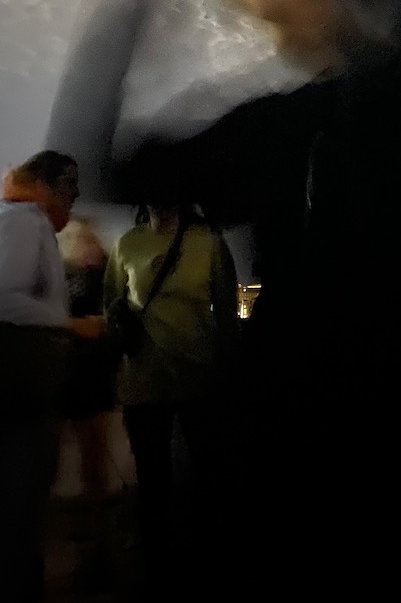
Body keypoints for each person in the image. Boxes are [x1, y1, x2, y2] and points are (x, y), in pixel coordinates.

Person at [46, 0, 401, 594]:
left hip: (366, 404)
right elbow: (95, 167)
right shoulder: (273, 127)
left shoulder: (387, 94)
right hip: (309, 408)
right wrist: (128, 14)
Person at [103, 201, 241, 595]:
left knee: (204, 474)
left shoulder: (208, 243)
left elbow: (226, 311)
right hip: (145, 380)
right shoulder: (127, 244)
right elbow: (112, 304)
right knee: (153, 479)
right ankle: (159, 566)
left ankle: (198, 559)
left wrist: (227, 370)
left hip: (198, 377)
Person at [0, 150, 101, 602]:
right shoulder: (26, 221)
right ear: (47, 186)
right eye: (69, 190)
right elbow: (4, 299)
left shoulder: (23, 221)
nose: (73, 202)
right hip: (21, 396)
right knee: (20, 511)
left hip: (27, 394)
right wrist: (70, 324)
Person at [55, 216, 119, 592]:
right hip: (82, 378)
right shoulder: (90, 274)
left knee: (90, 462)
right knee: (90, 462)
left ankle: (92, 537)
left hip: (83, 378)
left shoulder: (89, 276)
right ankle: (93, 539)